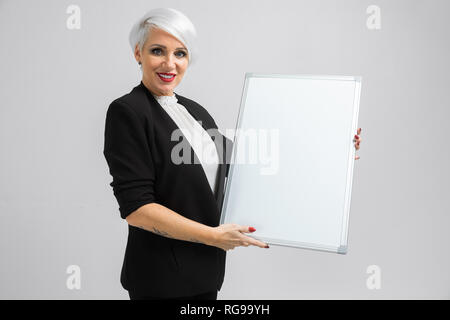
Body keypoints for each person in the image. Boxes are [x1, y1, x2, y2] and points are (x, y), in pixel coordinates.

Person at [103, 7, 363, 300]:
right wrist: (213, 236)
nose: (169, 63)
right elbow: (137, 210)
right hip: (160, 280)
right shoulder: (128, 112)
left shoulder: (194, 111)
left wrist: (333, 151)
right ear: (138, 53)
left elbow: (250, 161)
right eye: (157, 50)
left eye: (180, 53)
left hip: (204, 274)